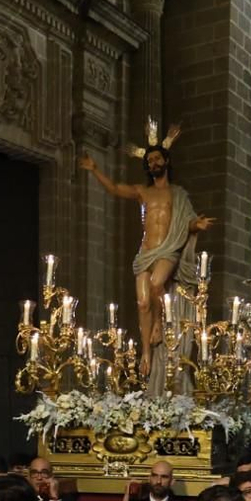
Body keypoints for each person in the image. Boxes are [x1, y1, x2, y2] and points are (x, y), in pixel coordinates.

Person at [79, 128, 213, 393]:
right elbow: (115, 189)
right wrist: (95, 170)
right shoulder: (143, 191)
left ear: (166, 161)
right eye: (149, 160)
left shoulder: (178, 194)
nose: (153, 163)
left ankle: (160, 324)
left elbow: (185, 222)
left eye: (157, 159)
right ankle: (147, 353)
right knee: (142, 303)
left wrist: (196, 225)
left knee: (156, 284)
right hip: (145, 251)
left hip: (168, 249)